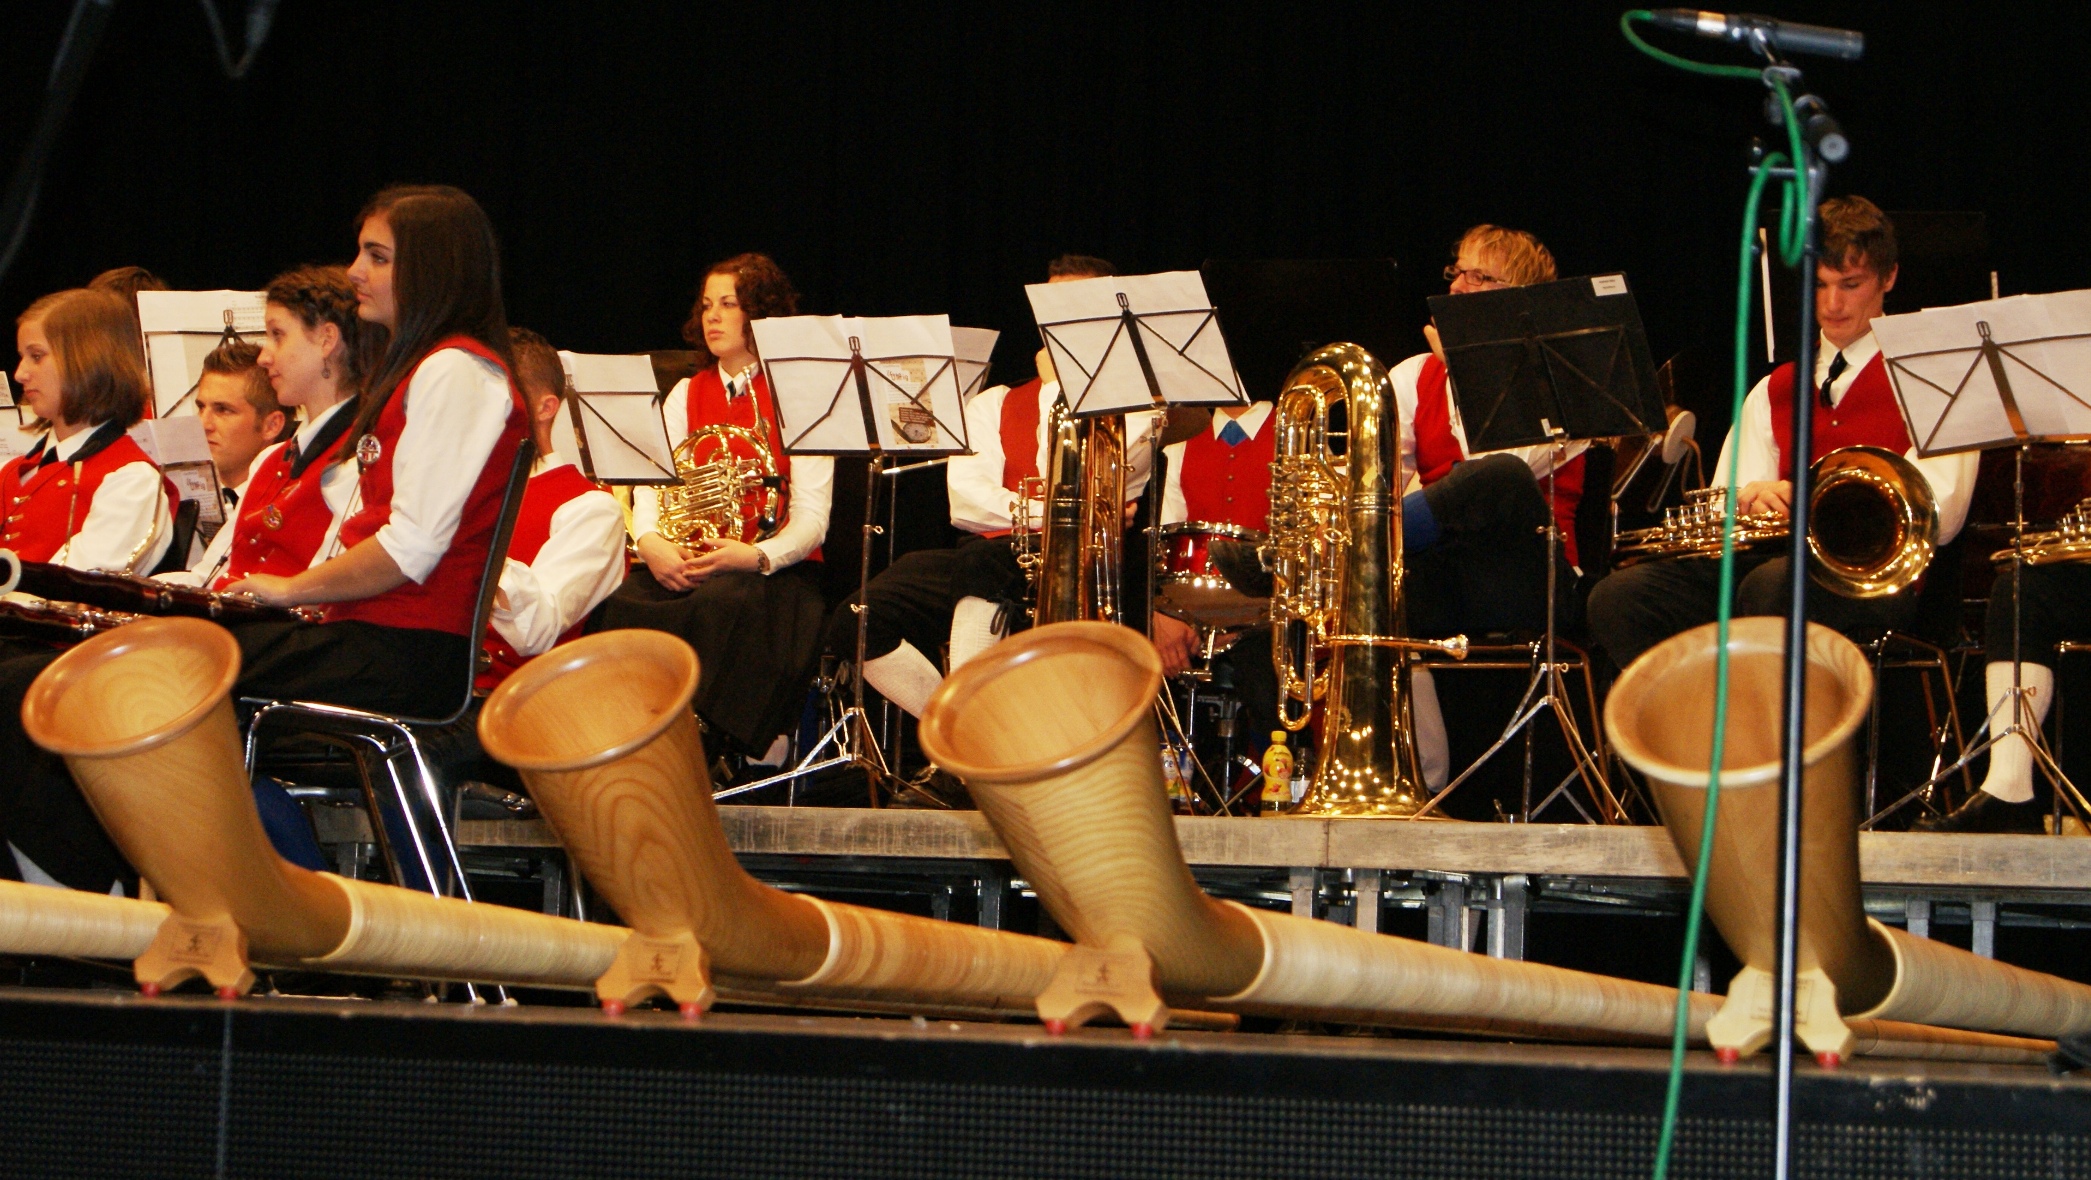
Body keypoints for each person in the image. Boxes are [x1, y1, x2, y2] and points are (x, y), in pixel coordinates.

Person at [0, 185, 529, 893]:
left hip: (400, 653)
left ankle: (103, 887)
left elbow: (411, 549)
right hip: (365, 638)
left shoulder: (455, 370)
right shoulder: (432, 371)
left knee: (121, 671)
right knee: (94, 664)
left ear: (431, 267)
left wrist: (289, 590)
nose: (356, 271)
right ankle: (112, 882)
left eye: (377, 256)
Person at [1585, 196, 1979, 671]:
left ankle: (1772, 717)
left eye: (1851, 285)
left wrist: (1807, 499)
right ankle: (1700, 715)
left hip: (1873, 581)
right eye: (1819, 285)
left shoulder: (1935, 381)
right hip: (1771, 569)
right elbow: (1724, 508)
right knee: (1620, 598)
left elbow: (1941, 513)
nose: (1832, 305)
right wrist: (1750, 498)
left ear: (1889, 278)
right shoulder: (1774, 389)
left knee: (1771, 588)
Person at [822, 254, 1164, 728]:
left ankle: (968, 748)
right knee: (857, 619)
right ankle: (961, 731)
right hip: (991, 553)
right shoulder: (994, 402)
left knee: (981, 570)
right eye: (1050, 305)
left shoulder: (1140, 410)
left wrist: (1058, 389)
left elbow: (1070, 476)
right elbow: (966, 505)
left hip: (1086, 568)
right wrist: (1056, 511)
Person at [598, 253, 832, 764]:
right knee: (620, 601)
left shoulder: (800, 394)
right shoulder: (685, 393)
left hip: (772, 571)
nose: (713, 317)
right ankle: (634, 744)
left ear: (760, 314)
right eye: (707, 305)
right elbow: (655, 486)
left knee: (724, 604)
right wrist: (651, 543)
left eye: (729, 304)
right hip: (693, 558)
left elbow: (813, 518)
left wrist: (757, 556)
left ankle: (709, 748)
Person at [1381, 225, 1587, 790]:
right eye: (1457, 273)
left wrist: (1471, 370)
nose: (1458, 288)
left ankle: (1346, 551)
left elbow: (1499, 468)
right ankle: (1422, 782)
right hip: (1444, 570)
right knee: (1379, 590)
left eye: (1481, 277)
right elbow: (1382, 487)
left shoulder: (1562, 375)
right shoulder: (1412, 375)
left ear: (1521, 299)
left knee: (1496, 477)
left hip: (1530, 577)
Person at [168, 264, 376, 590]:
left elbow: (326, 600)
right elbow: (207, 577)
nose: (264, 357)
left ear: (327, 340)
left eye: (277, 335)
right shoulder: (271, 460)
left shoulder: (359, 460)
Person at [478, 327, 625, 691]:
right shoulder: (464, 484)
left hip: (505, 701)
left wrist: (466, 532)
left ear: (545, 408)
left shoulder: (590, 508)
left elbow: (536, 630)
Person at [1, 288, 174, 576]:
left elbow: (69, 587)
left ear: (88, 362)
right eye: (22, 357)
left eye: (37, 356)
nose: (20, 374)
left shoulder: (131, 482)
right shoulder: (15, 471)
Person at [194, 339, 291, 502]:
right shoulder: (176, 502)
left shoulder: (292, 503)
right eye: (201, 407)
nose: (203, 424)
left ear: (271, 426)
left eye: (223, 410)